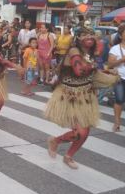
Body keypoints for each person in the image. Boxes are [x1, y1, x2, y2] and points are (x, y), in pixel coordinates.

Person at [46, 25, 118, 169]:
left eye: (91, 34)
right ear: (78, 37)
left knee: (84, 133)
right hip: (69, 96)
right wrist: (102, 68)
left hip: (86, 95)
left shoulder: (90, 54)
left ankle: (68, 155)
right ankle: (55, 141)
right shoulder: (74, 51)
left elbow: (93, 74)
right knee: (81, 132)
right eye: (84, 34)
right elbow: (79, 71)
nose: (89, 37)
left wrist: (110, 75)